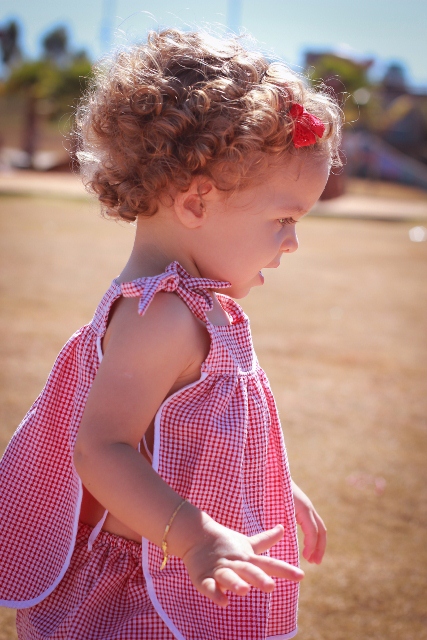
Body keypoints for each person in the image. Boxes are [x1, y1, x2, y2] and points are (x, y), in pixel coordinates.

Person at [0, 28, 342, 640]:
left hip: (180, 569)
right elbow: (101, 449)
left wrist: (272, 480)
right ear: (196, 203)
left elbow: (197, 430)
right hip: (145, 588)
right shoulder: (162, 317)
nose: (292, 241)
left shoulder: (197, 307)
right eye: (283, 219)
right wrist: (196, 535)